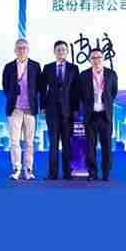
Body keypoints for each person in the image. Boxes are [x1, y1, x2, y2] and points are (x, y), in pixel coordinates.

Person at [1, 38, 42, 180]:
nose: (22, 50)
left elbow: (40, 87)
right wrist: (13, 97)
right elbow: (5, 86)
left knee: (29, 142)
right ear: (15, 50)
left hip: (30, 109)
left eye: (24, 48)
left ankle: (28, 170)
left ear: (28, 50)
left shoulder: (35, 66)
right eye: (19, 48)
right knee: (14, 141)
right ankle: (16, 169)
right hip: (15, 109)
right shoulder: (9, 67)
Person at [40, 40, 80, 180]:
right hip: (51, 111)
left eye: (63, 49)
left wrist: (75, 109)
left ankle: (68, 173)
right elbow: (42, 89)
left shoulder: (74, 68)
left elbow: (76, 90)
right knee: (53, 144)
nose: (61, 52)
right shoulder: (47, 68)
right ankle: (53, 174)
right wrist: (42, 106)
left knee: (67, 143)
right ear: (54, 52)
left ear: (67, 52)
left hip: (68, 111)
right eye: (58, 50)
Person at [77, 48, 118, 181]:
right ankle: (92, 173)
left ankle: (106, 173)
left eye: (99, 57)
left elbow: (113, 92)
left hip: (105, 115)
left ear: (103, 58)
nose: (96, 60)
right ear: (90, 60)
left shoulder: (111, 74)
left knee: (107, 146)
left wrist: (105, 103)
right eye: (93, 58)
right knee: (90, 146)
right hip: (91, 115)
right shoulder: (83, 75)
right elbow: (80, 94)